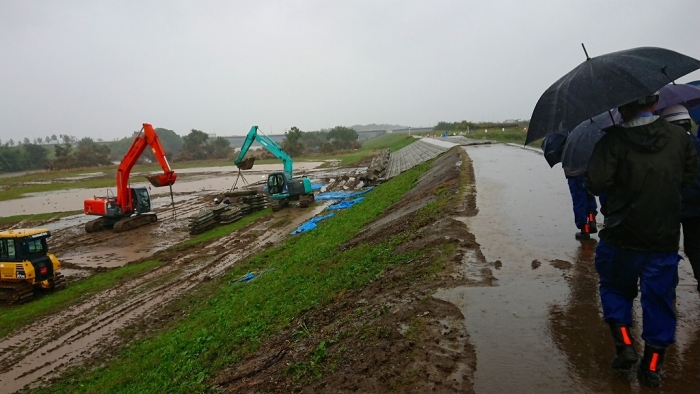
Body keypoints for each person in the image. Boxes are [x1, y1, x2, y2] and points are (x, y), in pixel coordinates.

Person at [585, 92, 698, 387]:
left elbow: (595, 183)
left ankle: (624, 346)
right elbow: (688, 179)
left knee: (614, 290)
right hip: (663, 238)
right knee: (659, 300)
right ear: (654, 102)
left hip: (620, 236)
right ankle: (651, 367)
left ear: (622, 107)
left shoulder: (611, 141)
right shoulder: (679, 138)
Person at [660, 105, 700, 293]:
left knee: (668, 248)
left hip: (670, 205)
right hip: (696, 207)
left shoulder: (663, 149)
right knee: (696, 246)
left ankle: (670, 286)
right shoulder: (696, 143)